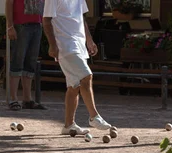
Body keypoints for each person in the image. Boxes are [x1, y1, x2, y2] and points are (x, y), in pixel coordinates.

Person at [42, 0, 111, 135]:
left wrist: (89, 40)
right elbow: (46, 21)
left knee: (74, 86)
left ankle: (69, 125)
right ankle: (94, 116)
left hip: (79, 44)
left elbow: (81, 18)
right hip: (65, 45)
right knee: (86, 76)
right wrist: (52, 45)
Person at [6, 0, 47, 111]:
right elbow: (9, 3)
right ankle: (13, 99)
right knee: (18, 60)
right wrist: (10, 26)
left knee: (31, 62)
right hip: (21, 25)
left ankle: (27, 99)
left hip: (37, 25)